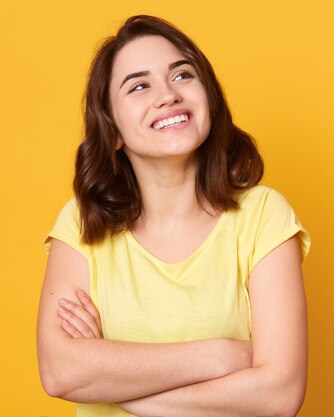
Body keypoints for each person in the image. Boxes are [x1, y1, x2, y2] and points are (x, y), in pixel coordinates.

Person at [36, 15, 310, 417]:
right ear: (112, 130)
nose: (168, 95)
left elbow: (279, 396)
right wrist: (218, 357)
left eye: (182, 75)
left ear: (209, 99)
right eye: (139, 85)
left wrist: (112, 382)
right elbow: (60, 372)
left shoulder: (264, 216)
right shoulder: (82, 224)